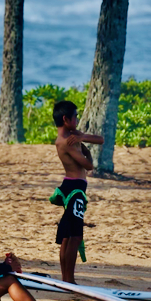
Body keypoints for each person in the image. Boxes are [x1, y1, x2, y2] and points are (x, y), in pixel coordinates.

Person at [50, 101, 104, 284]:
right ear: (66, 119)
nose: (77, 119)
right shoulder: (68, 142)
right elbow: (88, 165)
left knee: (68, 234)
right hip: (76, 189)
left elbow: (100, 139)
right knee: (74, 236)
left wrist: (82, 137)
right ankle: (69, 280)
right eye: (75, 117)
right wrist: (85, 149)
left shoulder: (68, 138)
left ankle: (66, 278)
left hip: (70, 186)